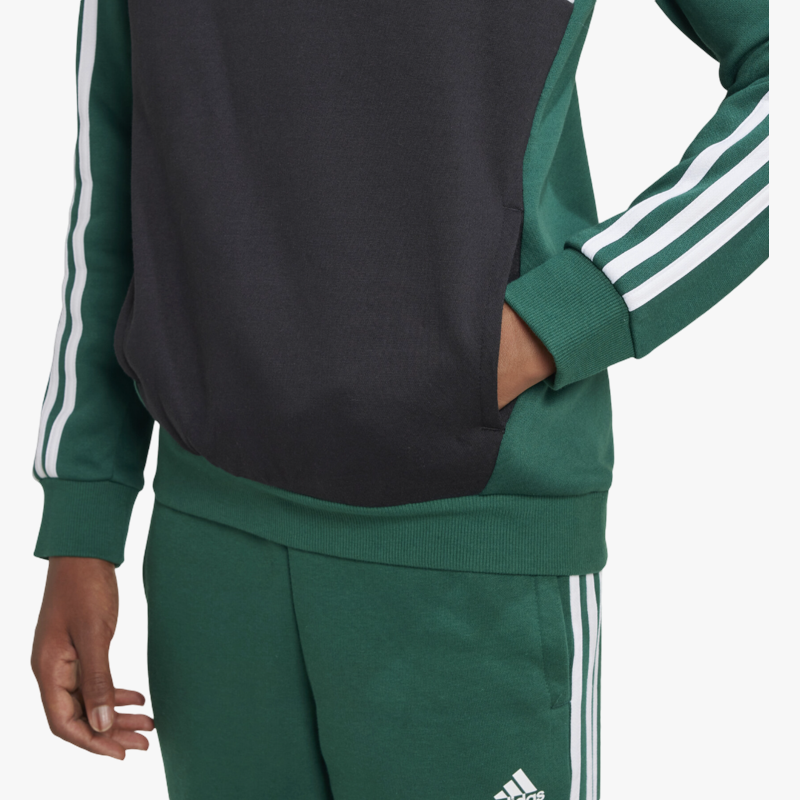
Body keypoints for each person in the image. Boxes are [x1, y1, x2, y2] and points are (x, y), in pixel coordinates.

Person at [28, 0, 768, 798]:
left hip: (466, 547)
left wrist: (573, 313)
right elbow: (113, 150)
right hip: (209, 560)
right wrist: (83, 515)